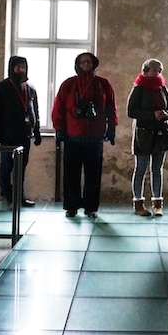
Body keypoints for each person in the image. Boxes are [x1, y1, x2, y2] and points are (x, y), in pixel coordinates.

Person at [52, 52, 118, 218]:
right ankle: (71, 206)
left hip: (95, 136)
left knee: (93, 174)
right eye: (83, 62)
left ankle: (91, 207)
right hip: (72, 135)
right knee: (71, 173)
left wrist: (111, 128)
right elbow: (59, 107)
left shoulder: (103, 84)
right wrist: (59, 129)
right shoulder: (68, 84)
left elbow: (111, 107)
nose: (86, 65)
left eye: (89, 62)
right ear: (78, 65)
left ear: (94, 64)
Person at [0, 55, 42, 209]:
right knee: (7, 166)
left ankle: (19, 197)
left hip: (25, 134)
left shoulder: (30, 88)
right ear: (11, 68)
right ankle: (8, 196)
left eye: (23, 67)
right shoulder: (2, 87)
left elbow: (35, 111)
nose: (21, 70)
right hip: (7, 134)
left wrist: (37, 131)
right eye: (18, 67)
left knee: (21, 167)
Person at [126, 58, 168, 217]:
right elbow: (132, 112)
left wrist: (166, 114)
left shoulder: (162, 87)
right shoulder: (139, 89)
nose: (157, 73)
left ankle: (157, 203)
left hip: (160, 132)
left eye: (159, 71)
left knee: (157, 169)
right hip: (144, 133)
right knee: (140, 168)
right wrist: (152, 115)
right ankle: (138, 202)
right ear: (145, 71)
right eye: (154, 70)